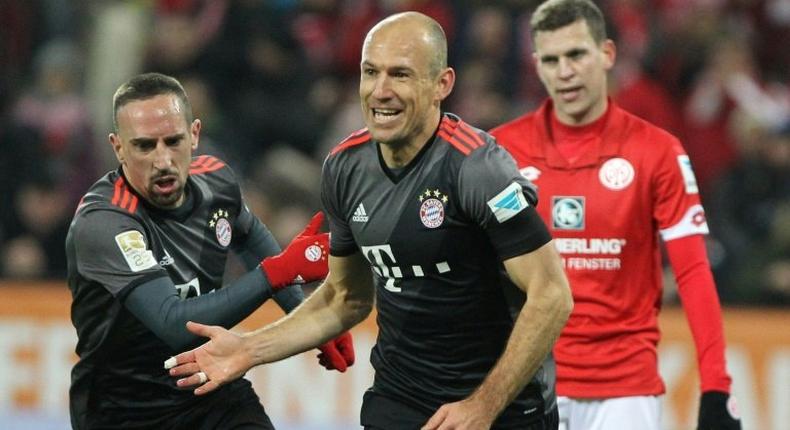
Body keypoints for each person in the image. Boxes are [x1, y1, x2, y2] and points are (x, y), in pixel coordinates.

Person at [166, 12, 573, 430]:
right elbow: (346, 298)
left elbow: (552, 295)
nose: (380, 92)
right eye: (370, 72)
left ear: (442, 85)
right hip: (400, 400)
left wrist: (483, 407)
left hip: (500, 409)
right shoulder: (345, 167)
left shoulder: (479, 170)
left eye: (400, 75)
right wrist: (248, 348)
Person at [489, 1, 741, 429]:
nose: (564, 71)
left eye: (576, 55)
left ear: (606, 54)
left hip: (624, 391)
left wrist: (716, 387)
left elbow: (694, 272)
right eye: (551, 60)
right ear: (537, 66)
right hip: (525, 383)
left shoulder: (657, 152)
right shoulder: (500, 153)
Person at [65, 72, 355, 430]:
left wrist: (308, 320)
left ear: (195, 134)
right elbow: (174, 326)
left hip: (211, 384)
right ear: (118, 147)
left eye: (173, 141)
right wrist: (278, 273)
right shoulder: (105, 222)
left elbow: (251, 239)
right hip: (123, 409)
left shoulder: (217, 180)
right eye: (144, 146)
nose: (163, 160)